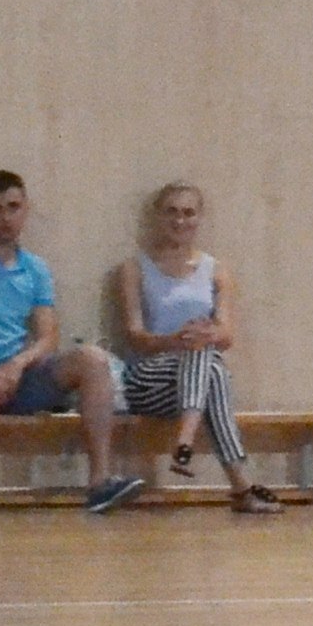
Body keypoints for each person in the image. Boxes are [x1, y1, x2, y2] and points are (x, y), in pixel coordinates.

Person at [0, 171, 134, 514]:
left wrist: (16, 365)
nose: (5, 218)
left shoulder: (35, 268)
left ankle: (100, 481)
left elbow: (48, 335)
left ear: (25, 210)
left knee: (93, 360)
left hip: (15, 379)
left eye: (13, 207)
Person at [111, 182, 283, 511]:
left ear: (199, 218)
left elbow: (226, 334)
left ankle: (191, 448)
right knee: (206, 359)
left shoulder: (215, 270)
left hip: (196, 380)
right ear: (158, 216)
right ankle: (234, 481)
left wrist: (205, 336)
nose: (180, 220)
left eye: (188, 213)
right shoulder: (135, 268)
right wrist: (173, 340)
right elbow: (134, 334)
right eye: (172, 212)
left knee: (208, 359)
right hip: (149, 379)